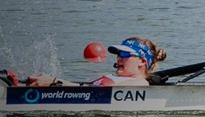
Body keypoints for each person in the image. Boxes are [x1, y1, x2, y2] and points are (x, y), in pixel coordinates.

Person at [19, 37, 167, 87]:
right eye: (118, 54)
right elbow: (85, 88)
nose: (119, 58)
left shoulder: (140, 84)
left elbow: (96, 92)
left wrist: (53, 82)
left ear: (142, 61)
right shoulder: (115, 78)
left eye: (124, 54)